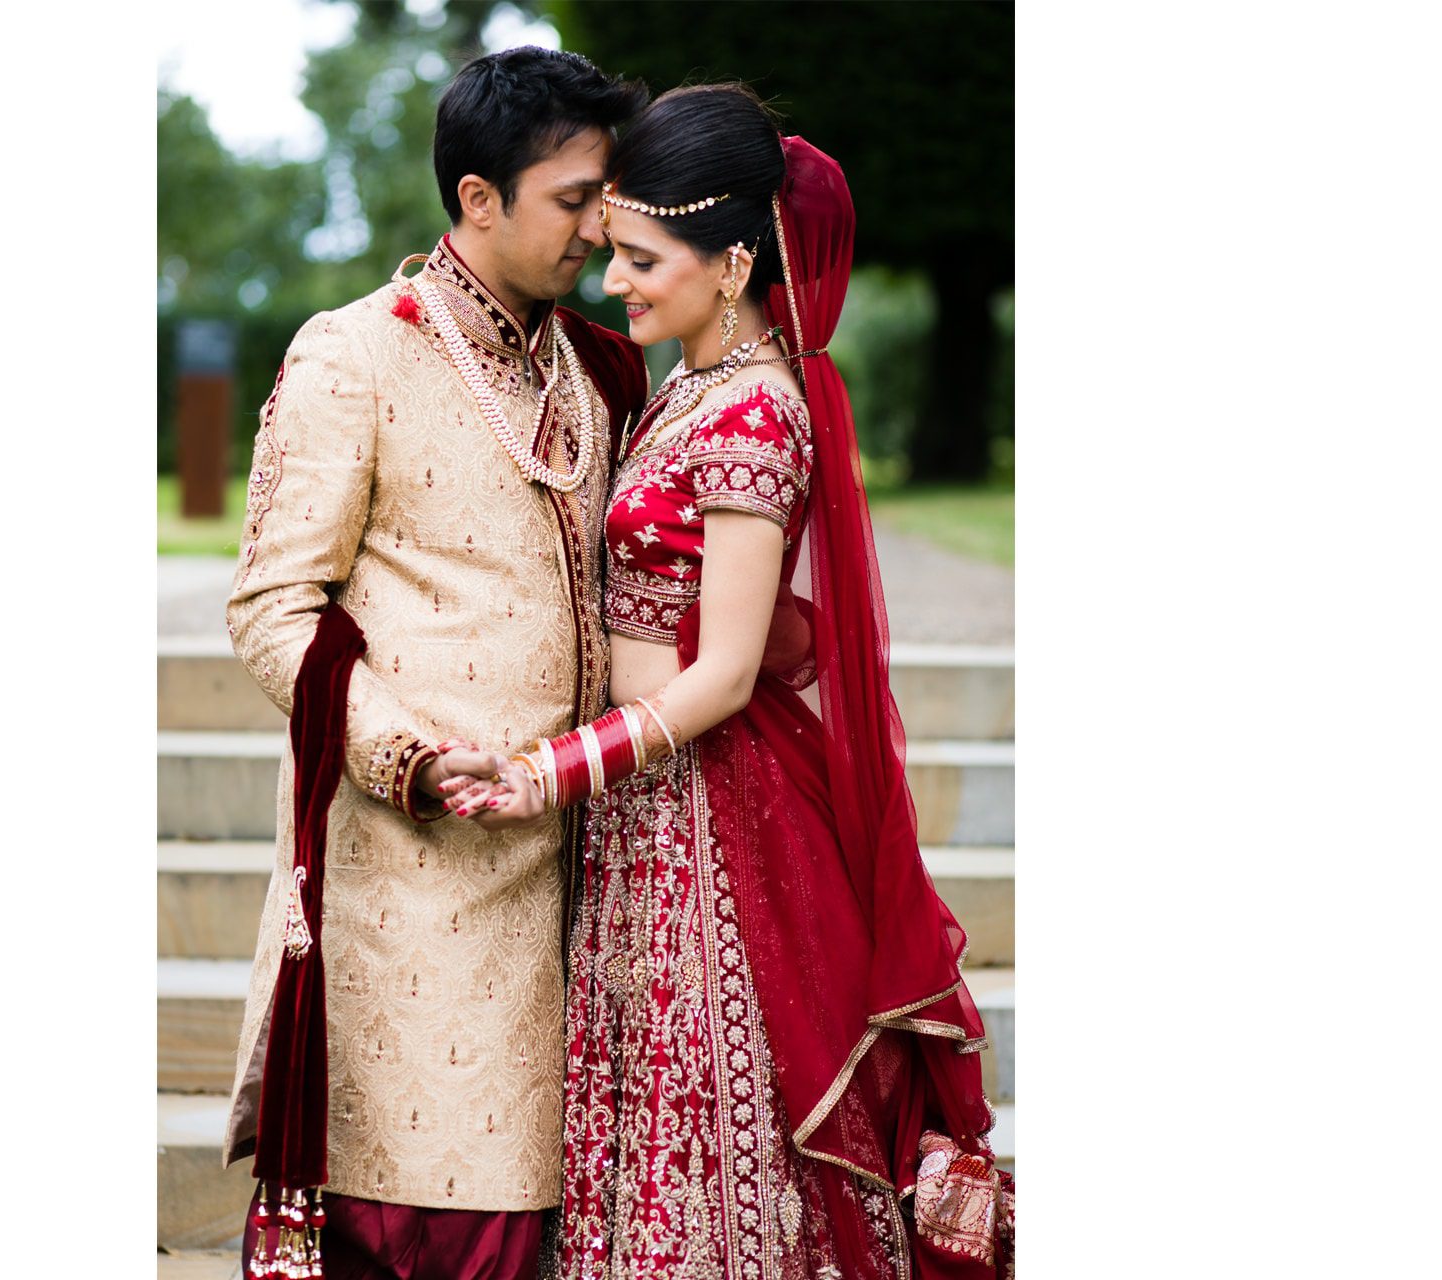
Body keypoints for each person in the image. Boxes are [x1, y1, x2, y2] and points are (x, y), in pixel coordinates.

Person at [444, 85, 1013, 1279]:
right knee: (648, 1124)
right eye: (613, 253)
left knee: (712, 1143)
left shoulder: (757, 412)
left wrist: (551, 769)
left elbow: (727, 672)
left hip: (710, 818)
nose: (616, 284)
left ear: (734, 257)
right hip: (646, 813)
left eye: (643, 259)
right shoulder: (685, 390)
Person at [219, 47, 651, 1280]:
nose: (597, 225)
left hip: (573, 862)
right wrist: (404, 752)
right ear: (478, 199)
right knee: (430, 1222)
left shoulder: (596, 367)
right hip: (410, 870)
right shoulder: (352, 355)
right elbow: (269, 604)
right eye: (574, 198)